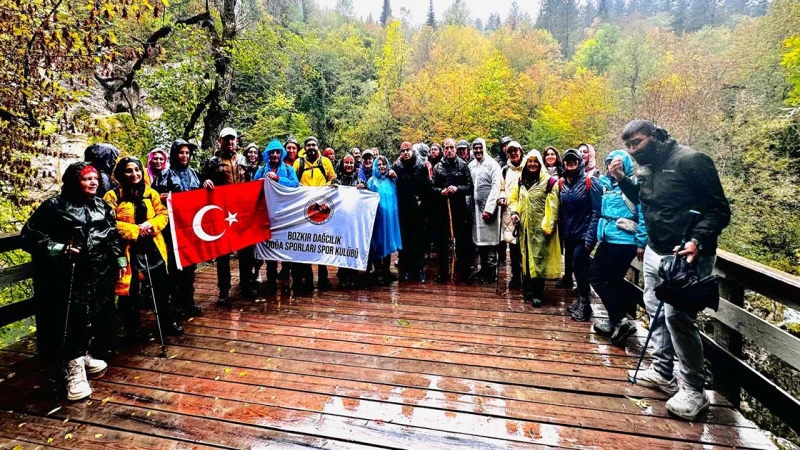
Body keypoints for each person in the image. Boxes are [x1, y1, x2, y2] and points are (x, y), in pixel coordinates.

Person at [609, 120, 730, 421]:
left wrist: (697, 241)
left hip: (687, 255)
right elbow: (647, 199)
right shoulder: (646, 166)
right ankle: (662, 370)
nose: (632, 150)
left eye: (636, 143)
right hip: (654, 250)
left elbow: (719, 210)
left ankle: (693, 390)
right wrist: (624, 180)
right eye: (628, 146)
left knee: (678, 317)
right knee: (654, 308)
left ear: (654, 136)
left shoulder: (691, 161)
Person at [21, 162, 125, 401]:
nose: (93, 182)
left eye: (95, 178)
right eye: (86, 178)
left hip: (98, 271)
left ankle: (82, 354)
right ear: (73, 181)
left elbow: (111, 234)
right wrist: (58, 249)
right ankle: (73, 369)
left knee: (93, 315)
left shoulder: (101, 205)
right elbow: (30, 234)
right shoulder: (55, 206)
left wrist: (120, 260)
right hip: (65, 275)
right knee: (70, 317)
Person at [104, 156, 184, 343]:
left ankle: (166, 322)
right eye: (129, 171)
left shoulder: (151, 193)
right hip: (128, 249)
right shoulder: (112, 196)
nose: (134, 174)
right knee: (130, 291)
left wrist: (151, 225)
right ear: (121, 174)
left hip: (153, 246)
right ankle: (133, 329)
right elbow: (108, 223)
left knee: (162, 285)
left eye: (137, 170)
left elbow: (163, 214)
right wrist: (134, 230)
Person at [589, 149, 647, 341]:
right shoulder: (608, 184)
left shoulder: (634, 184)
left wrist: (641, 241)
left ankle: (620, 321)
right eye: (609, 163)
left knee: (607, 280)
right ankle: (616, 320)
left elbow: (644, 214)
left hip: (624, 241)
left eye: (617, 163)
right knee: (598, 277)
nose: (612, 166)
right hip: (607, 238)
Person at [201, 127, 251, 305]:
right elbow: (202, 182)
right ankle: (223, 290)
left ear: (236, 141)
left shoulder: (244, 160)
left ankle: (246, 285)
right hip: (222, 211)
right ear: (220, 140)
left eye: (233, 139)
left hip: (242, 211)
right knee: (223, 253)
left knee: (246, 251)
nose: (230, 142)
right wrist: (205, 182)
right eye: (226, 139)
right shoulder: (213, 162)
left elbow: (251, 183)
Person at [509, 150, 561, 306]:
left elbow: (553, 207)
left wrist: (548, 226)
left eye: (535, 161)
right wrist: (515, 212)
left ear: (540, 163)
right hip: (524, 228)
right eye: (530, 161)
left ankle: (538, 293)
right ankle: (528, 289)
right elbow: (516, 200)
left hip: (541, 229)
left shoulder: (549, 182)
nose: (532, 164)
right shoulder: (521, 181)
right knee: (525, 257)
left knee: (538, 259)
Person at [254, 139, 300, 294]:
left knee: (286, 245)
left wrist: (278, 179)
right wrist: (260, 182)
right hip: (267, 214)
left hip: (285, 214)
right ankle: (271, 280)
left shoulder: (288, 169)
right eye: (272, 152)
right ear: (268, 154)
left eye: (277, 152)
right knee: (270, 247)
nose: (274, 155)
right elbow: (252, 188)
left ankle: (288, 276)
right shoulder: (261, 170)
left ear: (281, 154)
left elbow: (295, 185)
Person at [164, 138, 204, 318]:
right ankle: (175, 303)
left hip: (192, 226)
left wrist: (207, 184)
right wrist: (163, 197)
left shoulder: (194, 173)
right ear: (174, 154)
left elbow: (201, 196)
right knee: (174, 266)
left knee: (190, 265)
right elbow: (154, 199)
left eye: (187, 152)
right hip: (173, 227)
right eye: (181, 152)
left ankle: (189, 300)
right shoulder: (165, 174)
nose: (184, 155)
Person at [557, 149, 596, 321]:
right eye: (567, 160)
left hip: (584, 233)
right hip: (569, 233)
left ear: (580, 162)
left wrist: (590, 237)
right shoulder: (562, 184)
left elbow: (596, 211)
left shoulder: (589, 182)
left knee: (578, 267)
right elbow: (562, 210)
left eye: (574, 160)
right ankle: (580, 299)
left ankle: (586, 304)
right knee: (576, 267)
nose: (571, 162)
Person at [294, 136, 337, 291]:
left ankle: (323, 278)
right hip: (305, 209)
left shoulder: (325, 162)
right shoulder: (298, 163)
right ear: (304, 148)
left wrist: (327, 187)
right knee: (307, 244)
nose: (311, 147)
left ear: (318, 147)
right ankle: (308, 279)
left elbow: (333, 178)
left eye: (313, 145)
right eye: (308, 145)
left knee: (322, 242)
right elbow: (294, 181)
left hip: (322, 208)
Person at [432, 138, 474, 284]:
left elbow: (469, 187)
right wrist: (440, 191)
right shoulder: (438, 167)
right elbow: (432, 188)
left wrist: (457, 189)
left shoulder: (463, 165)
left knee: (463, 242)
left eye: (451, 148)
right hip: (443, 210)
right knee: (443, 243)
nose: (449, 150)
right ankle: (443, 272)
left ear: (455, 149)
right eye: (446, 148)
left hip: (460, 209)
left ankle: (464, 272)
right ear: (444, 150)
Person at [391, 141, 431, 283]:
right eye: (403, 151)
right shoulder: (396, 166)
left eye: (408, 150)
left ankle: (419, 270)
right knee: (405, 241)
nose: (406, 153)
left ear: (412, 151)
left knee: (418, 240)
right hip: (403, 208)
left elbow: (427, 186)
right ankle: (406, 270)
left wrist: (424, 205)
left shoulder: (421, 166)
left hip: (418, 208)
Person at [468, 138, 503, 284]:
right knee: (480, 242)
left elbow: (496, 187)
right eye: (475, 148)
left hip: (489, 210)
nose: (478, 151)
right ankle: (483, 269)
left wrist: (489, 209)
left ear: (484, 148)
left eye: (480, 148)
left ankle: (491, 272)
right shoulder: (471, 166)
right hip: (475, 210)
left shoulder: (493, 165)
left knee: (490, 243)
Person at [365, 155, 402, 285]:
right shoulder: (371, 181)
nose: (381, 166)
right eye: (379, 164)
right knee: (378, 242)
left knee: (388, 241)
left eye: (383, 164)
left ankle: (386, 270)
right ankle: (378, 270)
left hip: (391, 217)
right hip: (378, 218)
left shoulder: (391, 180)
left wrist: (396, 176)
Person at [331, 154, 361, 288]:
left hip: (354, 221)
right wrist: (332, 188)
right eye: (346, 162)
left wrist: (363, 189)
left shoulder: (359, 180)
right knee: (342, 248)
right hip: (340, 221)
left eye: (351, 163)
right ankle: (342, 275)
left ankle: (354, 275)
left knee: (353, 246)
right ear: (342, 164)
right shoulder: (336, 180)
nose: (349, 165)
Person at [499, 141, 525, 289]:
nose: (514, 153)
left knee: (525, 247)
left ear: (520, 151)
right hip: (509, 212)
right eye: (510, 151)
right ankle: (516, 277)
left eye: (516, 151)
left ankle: (527, 276)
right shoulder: (504, 170)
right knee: (514, 248)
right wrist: (501, 198)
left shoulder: (529, 166)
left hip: (526, 211)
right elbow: (501, 188)